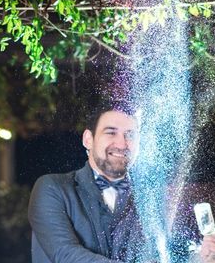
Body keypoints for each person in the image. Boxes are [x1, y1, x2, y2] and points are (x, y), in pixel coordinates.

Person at [28, 101, 143, 262]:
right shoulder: (52, 188)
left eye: (130, 135)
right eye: (111, 132)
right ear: (88, 139)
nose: (122, 143)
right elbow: (66, 255)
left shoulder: (147, 199)